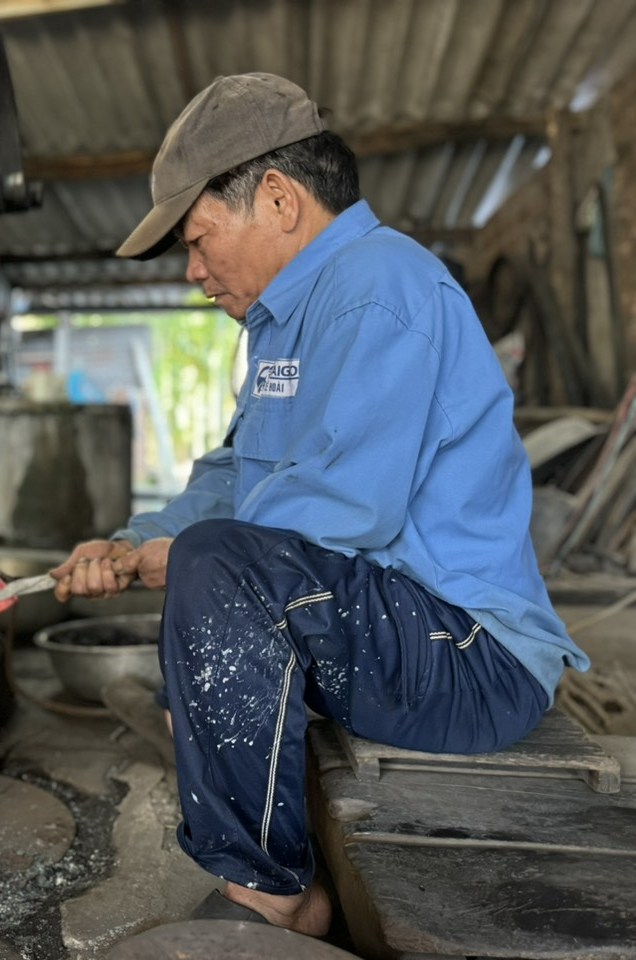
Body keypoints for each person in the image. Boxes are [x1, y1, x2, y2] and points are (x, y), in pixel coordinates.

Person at [50, 73, 588, 938]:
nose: (193, 272)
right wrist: (132, 540)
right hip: (401, 634)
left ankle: (276, 896)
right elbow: (236, 477)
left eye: (198, 240)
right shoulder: (281, 325)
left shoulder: (382, 288)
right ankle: (274, 875)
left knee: (215, 571)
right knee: (206, 572)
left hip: (473, 659)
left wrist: (181, 562)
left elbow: (343, 507)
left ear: (277, 199)